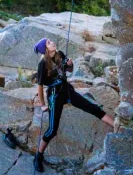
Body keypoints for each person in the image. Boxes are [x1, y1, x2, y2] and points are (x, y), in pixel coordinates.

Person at [33, 37, 114, 172]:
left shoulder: (60, 54)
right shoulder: (42, 64)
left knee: (92, 107)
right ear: (45, 49)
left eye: (50, 40)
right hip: (54, 95)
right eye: (48, 43)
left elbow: (69, 70)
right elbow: (40, 86)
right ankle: (38, 156)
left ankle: (117, 126)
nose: (52, 42)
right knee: (52, 129)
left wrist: (70, 64)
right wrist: (42, 104)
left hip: (67, 90)